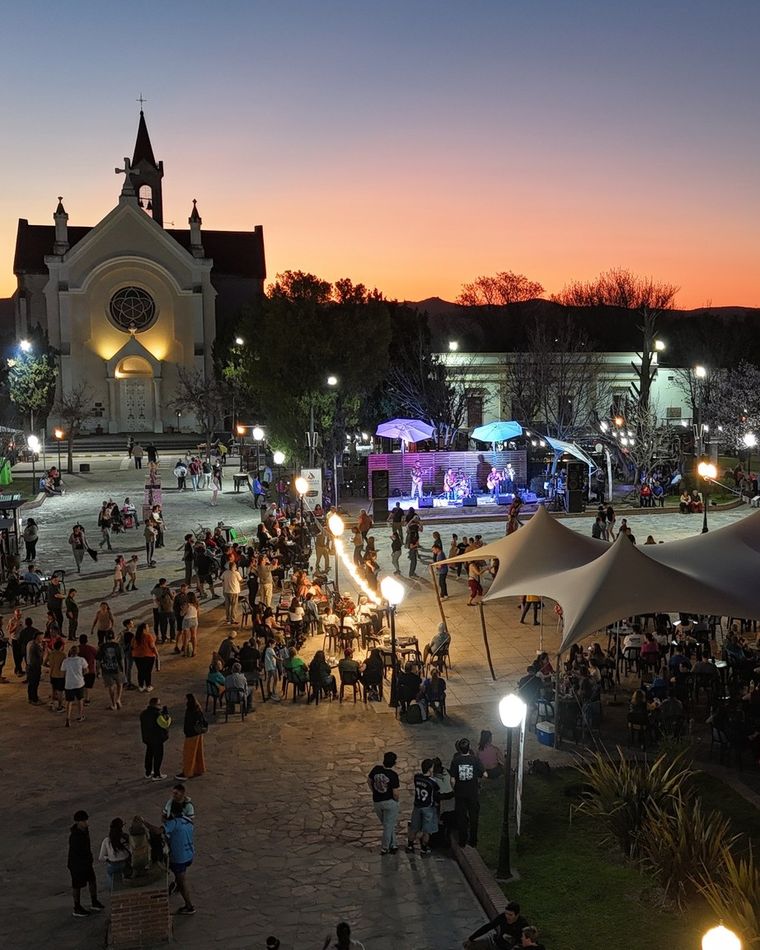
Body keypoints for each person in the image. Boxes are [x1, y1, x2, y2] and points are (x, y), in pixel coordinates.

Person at [450, 737, 486, 848]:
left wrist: (454, 788)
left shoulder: (456, 761)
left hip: (460, 793)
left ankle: (462, 840)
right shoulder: (474, 759)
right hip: (472, 793)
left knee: (461, 817)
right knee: (473, 817)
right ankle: (473, 841)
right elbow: (485, 774)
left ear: (459, 749)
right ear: (469, 748)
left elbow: (452, 779)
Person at [68, 810, 104, 918]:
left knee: (92, 880)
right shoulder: (75, 836)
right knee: (77, 886)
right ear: (78, 822)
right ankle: (77, 907)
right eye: (84, 821)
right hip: (77, 864)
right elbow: (78, 852)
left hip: (86, 862)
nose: (86, 822)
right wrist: (84, 861)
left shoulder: (84, 830)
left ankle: (94, 901)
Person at [367, 751, 400, 855]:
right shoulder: (393, 775)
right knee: (388, 826)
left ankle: (393, 844)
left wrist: (374, 791)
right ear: (394, 763)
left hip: (377, 802)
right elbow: (395, 793)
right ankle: (385, 847)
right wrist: (397, 800)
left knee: (387, 825)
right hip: (389, 802)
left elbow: (369, 780)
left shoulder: (376, 769)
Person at [406, 758, 439, 854]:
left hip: (417, 806)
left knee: (414, 828)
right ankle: (424, 848)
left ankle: (410, 845)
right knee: (427, 830)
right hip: (428, 808)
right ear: (430, 769)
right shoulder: (432, 782)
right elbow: (436, 790)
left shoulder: (417, 778)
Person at [463, 901, 529, 949]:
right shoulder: (503, 917)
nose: (507, 917)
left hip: (507, 948)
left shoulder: (523, 924)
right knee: (469, 945)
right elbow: (488, 926)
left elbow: (526, 942)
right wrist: (471, 938)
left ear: (517, 915)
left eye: (510, 915)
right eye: (506, 913)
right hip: (494, 941)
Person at [175, 693, 207, 780]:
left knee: (189, 755)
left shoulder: (190, 710)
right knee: (198, 752)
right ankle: (199, 769)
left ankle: (187, 772)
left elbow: (188, 724)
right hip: (199, 734)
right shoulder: (198, 708)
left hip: (191, 735)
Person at [140, 695, 172, 780]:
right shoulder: (157, 715)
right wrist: (168, 717)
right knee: (158, 756)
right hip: (157, 739)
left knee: (149, 755)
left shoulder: (143, 713)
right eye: (159, 704)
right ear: (156, 705)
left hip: (147, 738)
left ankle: (148, 772)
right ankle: (157, 774)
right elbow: (165, 724)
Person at [98, 817, 131, 887]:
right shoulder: (125, 838)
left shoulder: (107, 840)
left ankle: (112, 890)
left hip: (113, 865)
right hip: (125, 864)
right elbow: (131, 851)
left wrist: (108, 858)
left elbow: (101, 858)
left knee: (110, 876)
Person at [132, 622, 159, 691]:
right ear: (144, 629)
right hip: (148, 655)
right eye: (147, 627)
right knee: (147, 671)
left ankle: (141, 685)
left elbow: (132, 646)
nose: (148, 628)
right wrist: (157, 654)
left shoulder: (136, 637)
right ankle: (148, 685)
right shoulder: (148, 636)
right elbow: (152, 646)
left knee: (140, 671)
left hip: (137, 656)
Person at [25, 629, 45, 705]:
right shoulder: (36, 646)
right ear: (38, 638)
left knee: (31, 684)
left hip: (29, 666)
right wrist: (44, 649)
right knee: (35, 684)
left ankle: (31, 698)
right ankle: (34, 699)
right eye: (41, 638)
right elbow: (41, 656)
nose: (42, 639)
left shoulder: (29, 643)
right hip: (35, 668)